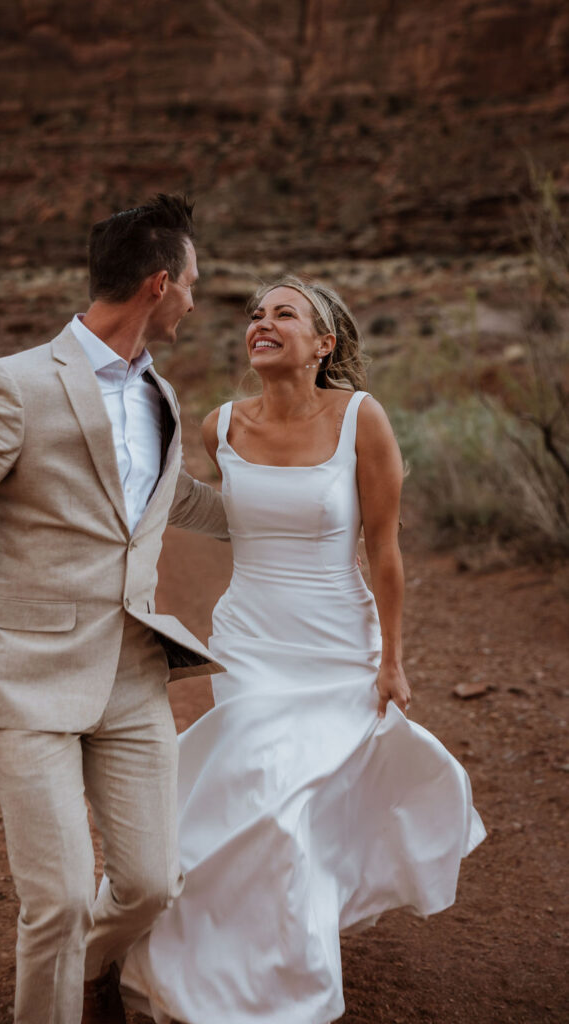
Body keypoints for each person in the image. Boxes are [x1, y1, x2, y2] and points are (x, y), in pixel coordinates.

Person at [0, 194, 229, 1024]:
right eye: (190, 282)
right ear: (156, 284)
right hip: (28, 678)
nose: (193, 297)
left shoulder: (163, 396)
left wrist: (309, 517)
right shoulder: (15, 385)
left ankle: (88, 965)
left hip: (132, 674)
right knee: (61, 898)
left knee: (149, 883)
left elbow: (168, 501)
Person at [121, 275, 486, 1024]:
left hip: (335, 641)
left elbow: (383, 551)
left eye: (285, 313)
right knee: (264, 790)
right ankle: (245, 973)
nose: (263, 322)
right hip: (252, 638)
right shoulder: (219, 426)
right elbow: (232, 517)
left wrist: (391, 659)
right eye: (256, 314)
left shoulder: (362, 418)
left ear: (323, 344)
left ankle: (278, 966)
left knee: (299, 804)